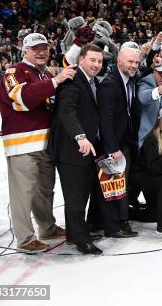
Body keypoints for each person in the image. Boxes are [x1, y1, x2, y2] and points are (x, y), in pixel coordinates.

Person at [0, 33, 75, 252]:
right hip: (23, 145)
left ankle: (47, 227)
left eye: (45, 48)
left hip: (45, 144)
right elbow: (22, 98)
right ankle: (25, 238)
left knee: (45, 191)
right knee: (23, 193)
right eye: (35, 48)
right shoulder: (15, 71)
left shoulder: (44, 74)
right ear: (25, 51)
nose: (41, 52)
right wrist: (56, 81)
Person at [48, 44, 104, 255]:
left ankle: (75, 233)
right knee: (76, 197)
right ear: (81, 59)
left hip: (85, 150)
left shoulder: (91, 81)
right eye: (92, 60)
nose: (97, 65)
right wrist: (80, 136)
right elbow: (66, 111)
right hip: (71, 150)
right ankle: (82, 240)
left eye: (99, 61)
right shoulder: (72, 80)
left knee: (82, 194)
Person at [96, 46, 141, 238]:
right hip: (113, 145)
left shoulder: (130, 81)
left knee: (120, 184)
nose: (134, 66)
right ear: (119, 61)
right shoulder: (110, 83)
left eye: (137, 62)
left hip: (124, 141)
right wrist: (112, 148)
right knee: (113, 186)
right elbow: (105, 119)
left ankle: (114, 222)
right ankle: (115, 225)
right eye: (130, 62)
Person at [133, 107, 162, 236]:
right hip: (141, 175)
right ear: (160, 122)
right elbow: (155, 169)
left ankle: (131, 213)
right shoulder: (152, 139)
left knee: (153, 214)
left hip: (155, 174)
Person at [138, 59, 162, 149]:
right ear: (155, 72)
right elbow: (143, 97)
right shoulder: (147, 81)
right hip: (147, 136)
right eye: (161, 73)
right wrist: (159, 91)